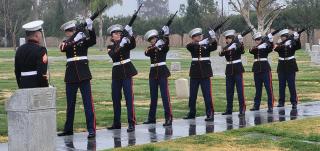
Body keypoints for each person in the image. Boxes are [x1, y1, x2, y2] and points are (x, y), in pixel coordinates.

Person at [57, 19, 97, 139]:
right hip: (70, 76)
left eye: (72, 30)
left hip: (84, 74)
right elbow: (63, 48)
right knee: (70, 104)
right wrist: (74, 38)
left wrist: (90, 28)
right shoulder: (66, 42)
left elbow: (93, 40)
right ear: (66, 32)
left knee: (88, 103)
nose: (70, 32)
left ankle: (91, 129)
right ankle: (68, 129)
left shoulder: (83, 40)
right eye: (68, 31)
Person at [106, 24, 137, 132]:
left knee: (129, 99)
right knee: (115, 99)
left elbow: (133, 45)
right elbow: (113, 55)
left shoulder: (126, 42)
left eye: (120, 33)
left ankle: (131, 123)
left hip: (127, 72)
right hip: (116, 74)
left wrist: (130, 35)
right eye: (116, 33)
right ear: (112, 36)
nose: (118, 34)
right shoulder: (110, 46)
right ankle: (116, 123)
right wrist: (120, 44)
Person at [183, 28, 217, 121]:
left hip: (205, 73)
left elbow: (214, 47)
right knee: (192, 95)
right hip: (194, 73)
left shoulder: (207, 44)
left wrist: (213, 38)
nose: (199, 37)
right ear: (193, 38)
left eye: (200, 35)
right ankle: (191, 113)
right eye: (197, 36)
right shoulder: (192, 45)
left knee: (207, 94)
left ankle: (210, 113)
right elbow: (189, 46)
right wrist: (200, 43)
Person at [143, 26, 173, 126]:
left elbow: (167, 45)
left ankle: (168, 118)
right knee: (153, 97)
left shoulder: (163, 46)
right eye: (151, 39)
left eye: (155, 38)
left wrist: (166, 36)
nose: (153, 40)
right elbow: (147, 53)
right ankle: (151, 118)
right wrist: (156, 46)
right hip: (153, 73)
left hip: (162, 72)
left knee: (165, 96)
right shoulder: (150, 48)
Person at [219, 30, 246, 116]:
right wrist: (228, 48)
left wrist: (241, 42)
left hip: (237, 69)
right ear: (226, 40)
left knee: (240, 90)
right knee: (229, 91)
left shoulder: (237, 45)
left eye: (231, 38)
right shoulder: (226, 47)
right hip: (229, 70)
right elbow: (220, 54)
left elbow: (242, 50)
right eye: (228, 38)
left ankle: (242, 109)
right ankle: (229, 109)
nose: (229, 39)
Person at [15, 20, 49, 89]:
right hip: (37, 86)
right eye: (40, 34)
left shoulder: (19, 50)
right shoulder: (41, 50)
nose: (41, 36)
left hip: (23, 85)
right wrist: (45, 87)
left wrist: (20, 85)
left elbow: (17, 71)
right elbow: (42, 73)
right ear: (37, 35)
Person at [274, 29, 301, 109]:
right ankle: (281, 102)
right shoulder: (279, 44)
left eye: (284, 36)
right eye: (282, 37)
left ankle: (294, 102)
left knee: (291, 85)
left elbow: (298, 46)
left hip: (291, 66)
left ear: (287, 36)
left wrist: (296, 39)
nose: (283, 38)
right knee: (281, 86)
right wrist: (283, 45)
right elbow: (276, 49)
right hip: (281, 66)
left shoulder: (292, 42)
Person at [249, 32, 275, 113]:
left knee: (269, 88)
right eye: (256, 40)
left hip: (265, 69)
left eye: (259, 39)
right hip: (256, 69)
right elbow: (251, 51)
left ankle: (270, 106)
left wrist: (270, 40)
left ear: (261, 39)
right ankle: (256, 106)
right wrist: (258, 46)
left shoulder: (265, 46)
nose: (257, 41)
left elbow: (271, 47)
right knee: (258, 89)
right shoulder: (255, 48)